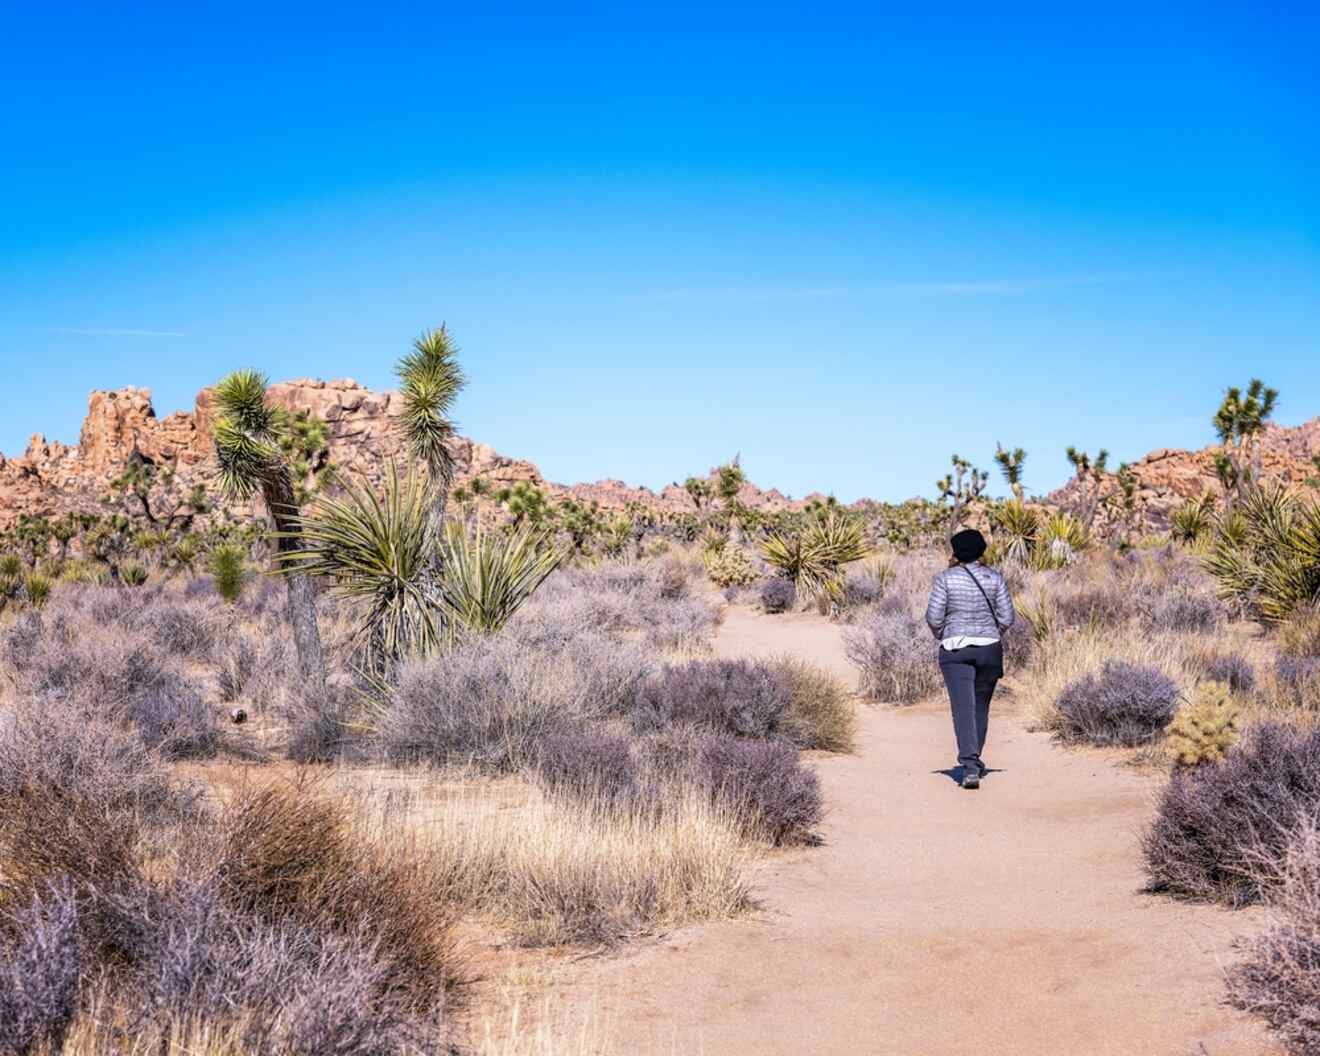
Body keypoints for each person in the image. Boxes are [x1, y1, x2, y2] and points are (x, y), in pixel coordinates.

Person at [924, 528, 1016, 790]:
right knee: (981, 706)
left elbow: (933, 617)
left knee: (962, 708)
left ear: (955, 553)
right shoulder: (994, 578)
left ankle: (970, 765)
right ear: (982, 550)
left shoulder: (945, 579)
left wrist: (944, 634)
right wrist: (991, 633)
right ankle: (974, 759)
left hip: (955, 649)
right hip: (989, 649)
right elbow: (1008, 617)